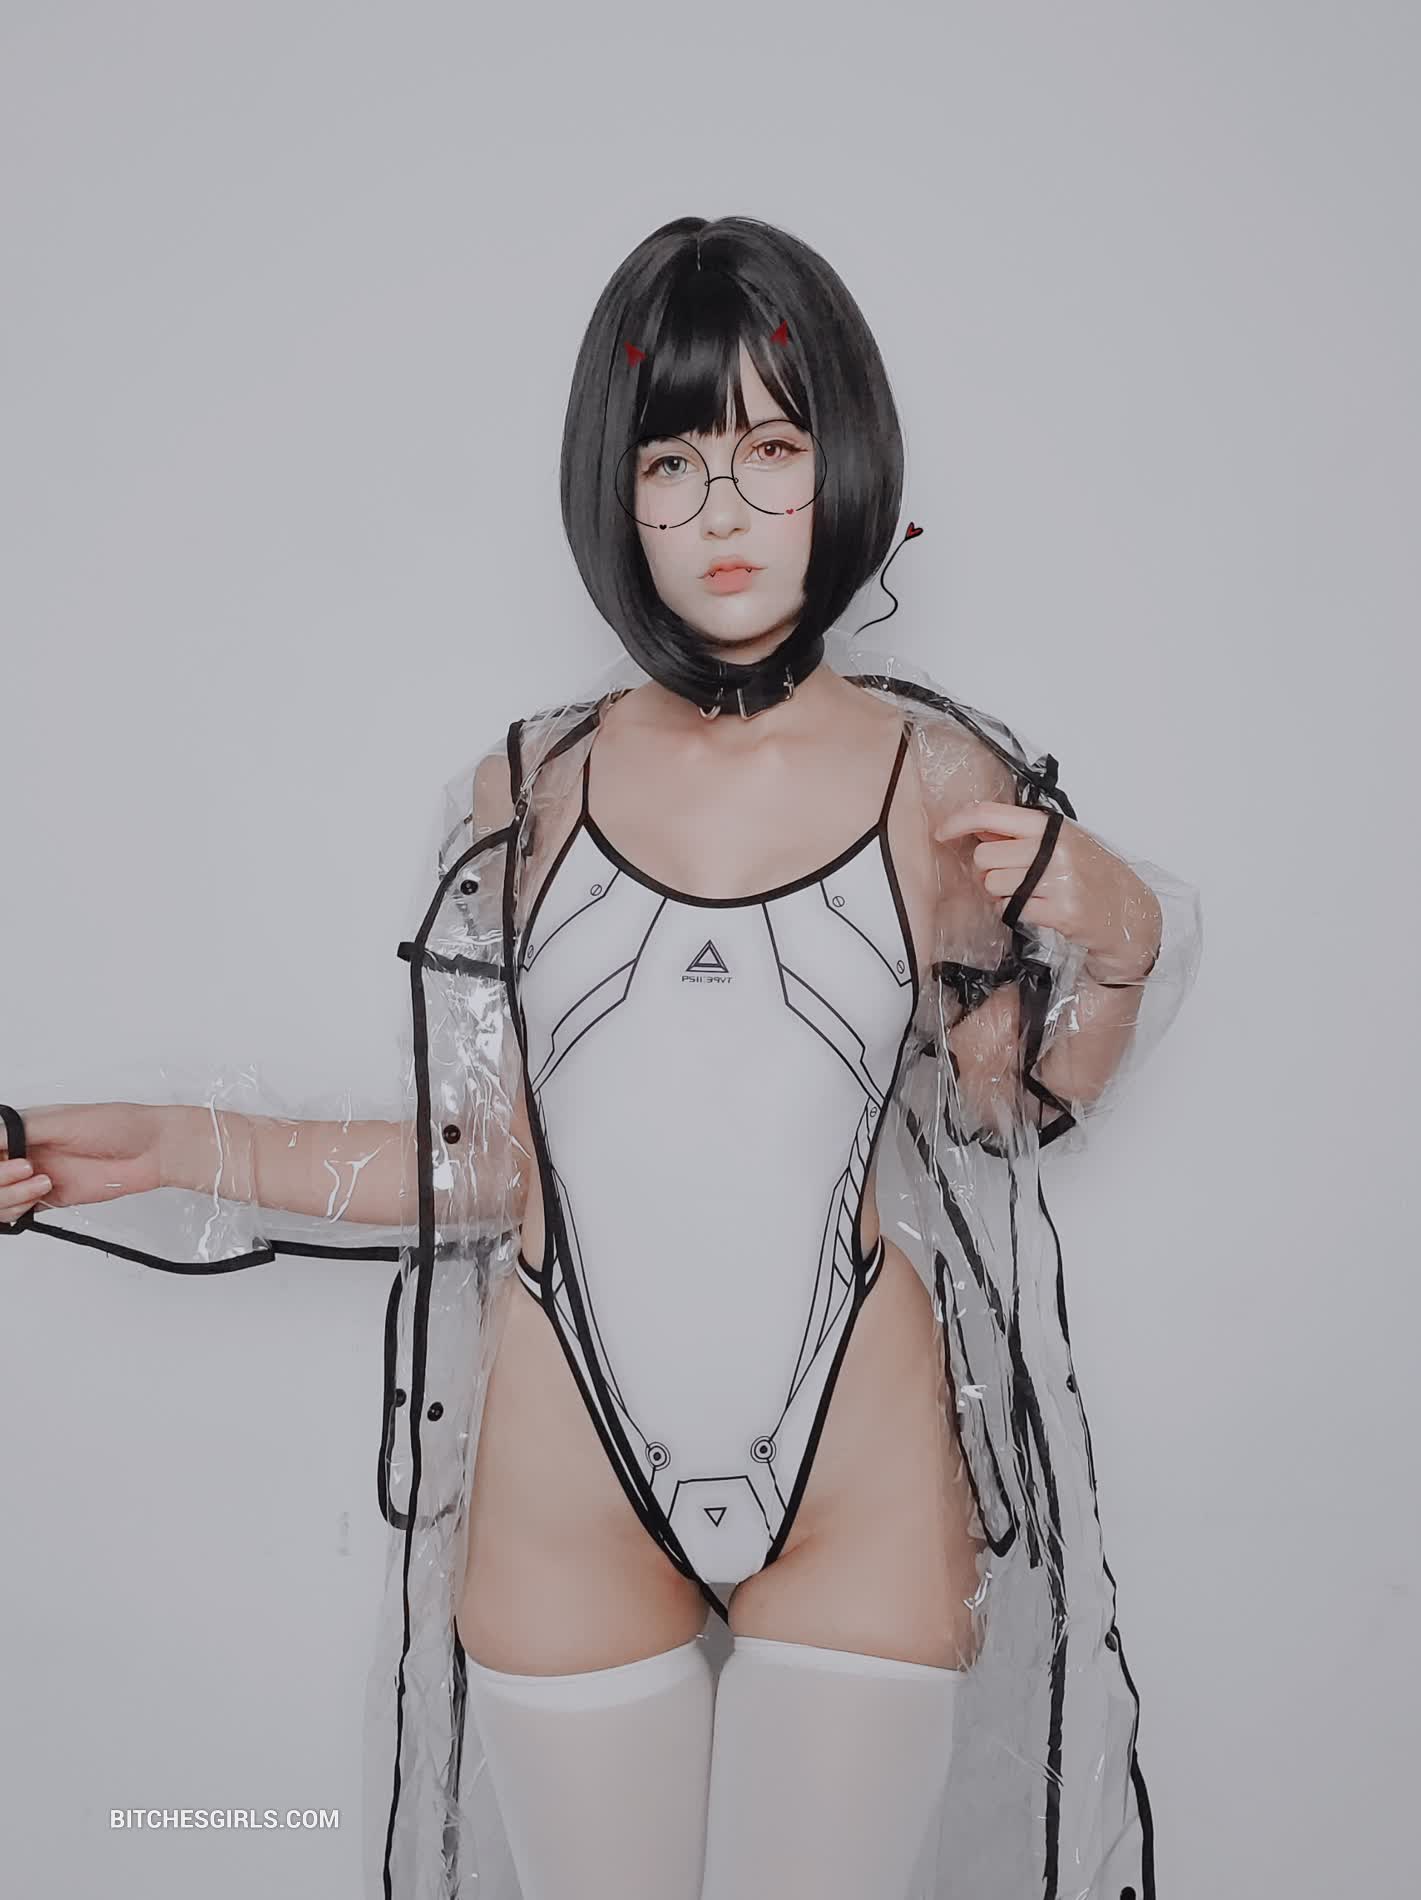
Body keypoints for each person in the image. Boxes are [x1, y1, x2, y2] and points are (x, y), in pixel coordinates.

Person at [2, 214, 1202, 1900]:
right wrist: (154, 1144)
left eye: (771, 450)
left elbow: (1007, 1102)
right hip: (564, 1473)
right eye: (671, 460)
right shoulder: (527, 789)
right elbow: (488, 1162)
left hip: (858, 1464)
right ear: (614, 490)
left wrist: (1123, 942)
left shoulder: (937, 782)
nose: (721, 511)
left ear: (844, 463)